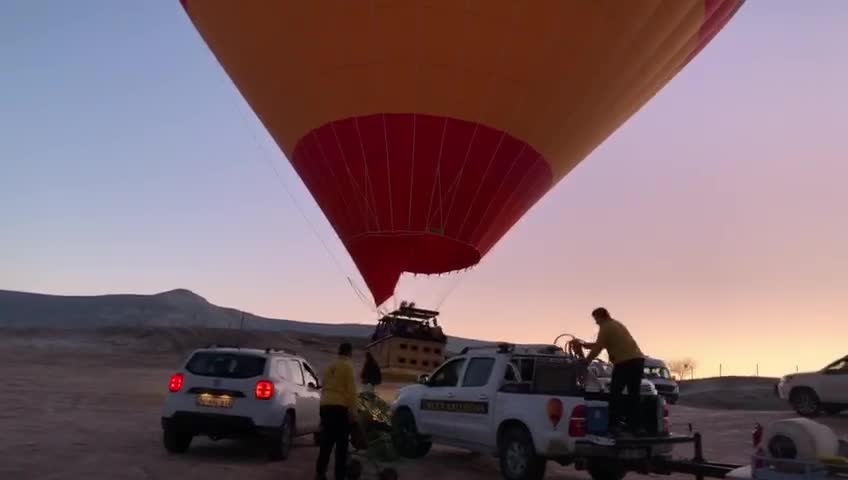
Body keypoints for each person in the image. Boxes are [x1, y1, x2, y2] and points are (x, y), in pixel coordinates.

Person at [581, 307, 646, 436]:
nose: (596, 322)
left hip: (625, 362)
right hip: (637, 360)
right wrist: (586, 345)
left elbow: (598, 348)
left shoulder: (605, 327)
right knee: (634, 394)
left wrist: (585, 362)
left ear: (600, 317)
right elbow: (603, 343)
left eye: (596, 319)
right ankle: (637, 427)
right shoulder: (616, 324)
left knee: (615, 393)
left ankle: (614, 425)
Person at [315, 342, 358, 480]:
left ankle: (320, 473)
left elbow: (325, 386)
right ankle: (339, 476)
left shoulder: (330, 366)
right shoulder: (347, 367)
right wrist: (353, 411)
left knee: (326, 443)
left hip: (326, 407)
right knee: (341, 445)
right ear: (349, 353)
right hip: (340, 409)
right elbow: (351, 391)